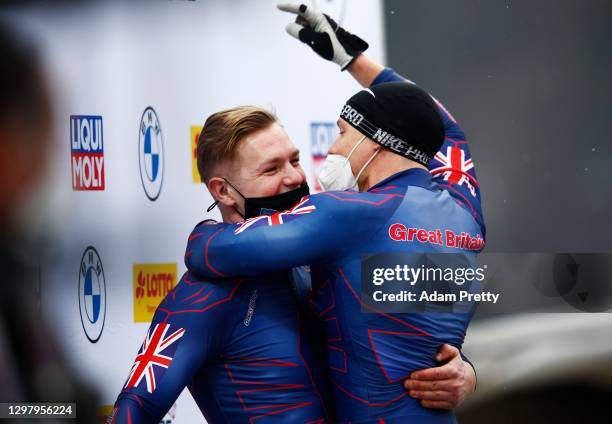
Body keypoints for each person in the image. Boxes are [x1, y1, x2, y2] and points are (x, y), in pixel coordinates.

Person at [184, 4, 485, 423]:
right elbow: (444, 127)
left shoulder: (348, 216)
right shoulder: (463, 202)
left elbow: (213, 254)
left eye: (343, 133)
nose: (334, 148)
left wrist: (203, 230)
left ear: (378, 144)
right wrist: (352, 59)